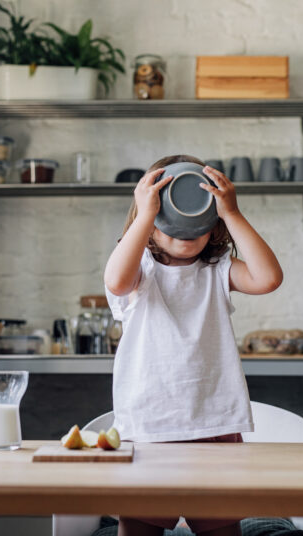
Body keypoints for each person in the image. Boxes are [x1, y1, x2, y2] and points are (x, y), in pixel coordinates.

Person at [104, 155, 283, 536]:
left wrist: (231, 212)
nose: (185, 235)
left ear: (213, 227)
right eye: (169, 225)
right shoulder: (140, 273)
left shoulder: (217, 271)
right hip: (150, 427)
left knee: (221, 528)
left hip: (215, 424)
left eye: (197, 226)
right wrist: (145, 213)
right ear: (149, 227)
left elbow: (268, 278)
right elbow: (117, 281)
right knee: (138, 529)